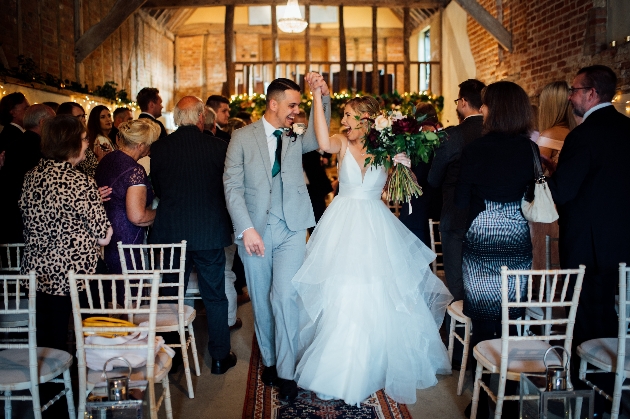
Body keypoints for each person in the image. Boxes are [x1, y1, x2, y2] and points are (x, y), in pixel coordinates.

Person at [292, 81, 452, 406]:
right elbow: (321, 139)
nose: (345, 120)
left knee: (379, 291)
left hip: (376, 224)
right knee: (345, 290)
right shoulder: (339, 143)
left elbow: (400, 189)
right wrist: (318, 97)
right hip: (343, 222)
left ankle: (374, 360)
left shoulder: (387, 147)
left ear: (367, 119)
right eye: (345, 115)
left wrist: (405, 165)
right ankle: (340, 364)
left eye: (350, 115)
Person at [223, 75, 331, 401]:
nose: (296, 112)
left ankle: (286, 372)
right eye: (292, 105)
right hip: (254, 230)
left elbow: (319, 134)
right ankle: (269, 359)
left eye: (299, 106)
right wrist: (246, 228)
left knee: (285, 296)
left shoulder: (297, 133)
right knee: (261, 297)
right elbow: (232, 186)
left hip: (292, 227)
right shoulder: (241, 137)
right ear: (273, 103)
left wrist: (320, 95)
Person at [547, 66, 630, 415]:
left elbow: (563, 192)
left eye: (574, 89)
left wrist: (543, 184)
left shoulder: (583, 136)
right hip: (623, 238)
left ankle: (587, 393)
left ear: (591, 93)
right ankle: (616, 385)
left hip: (587, 243)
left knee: (584, 314)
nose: (570, 96)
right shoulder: (628, 128)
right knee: (617, 311)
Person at [454, 81, 535, 418]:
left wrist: (477, 217)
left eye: (486, 105)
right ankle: (511, 394)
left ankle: (483, 401)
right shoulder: (528, 150)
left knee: (484, 321)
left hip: (482, 236)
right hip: (517, 236)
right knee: (511, 317)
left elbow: (460, 202)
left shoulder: (476, 149)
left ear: (494, 109)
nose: (482, 109)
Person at [149, 96, 235, 374]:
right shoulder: (218, 147)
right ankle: (220, 357)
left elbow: (158, 189)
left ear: (176, 118)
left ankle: (171, 356)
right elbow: (226, 189)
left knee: (172, 294)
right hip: (209, 231)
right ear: (200, 117)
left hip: (173, 232)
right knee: (215, 295)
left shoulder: (160, 149)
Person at [20, 115, 113, 351]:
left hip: (37, 272)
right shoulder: (80, 182)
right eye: (83, 139)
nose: (87, 144)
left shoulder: (31, 177)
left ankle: (51, 383)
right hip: (76, 273)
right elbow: (103, 236)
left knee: (49, 339)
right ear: (70, 144)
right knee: (93, 332)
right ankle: (90, 374)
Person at [428, 79, 485, 302]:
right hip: (487, 217)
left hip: (456, 216)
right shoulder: (495, 133)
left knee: (457, 281)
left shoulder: (452, 136)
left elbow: (434, 179)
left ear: (462, 102)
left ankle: (461, 328)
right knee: (483, 276)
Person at [95, 119, 159, 275]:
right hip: (127, 238)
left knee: (110, 292)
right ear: (140, 145)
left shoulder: (106, 160)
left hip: (104, 233)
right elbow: (137, 216)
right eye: (149, 143)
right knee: (130, 292)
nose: (151, 148)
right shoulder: (134, 170)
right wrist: (161, 213)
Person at [530, 81, 576, 270]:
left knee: (546, 255)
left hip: (549, 206)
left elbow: (535, 174)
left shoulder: (548, 136)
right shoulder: (576, 133)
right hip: (571, 205)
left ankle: (545, 291)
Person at [0, 104, 54, 243]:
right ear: (42, 123)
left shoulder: (12, 146)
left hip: (10, 218)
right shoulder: (44, 150)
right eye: (53, 121)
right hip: (33, 223)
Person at [57, 102, 99, 179]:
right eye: (78, 117)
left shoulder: (84, 137)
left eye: (83, 116)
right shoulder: (67, 144)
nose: (83, 119)